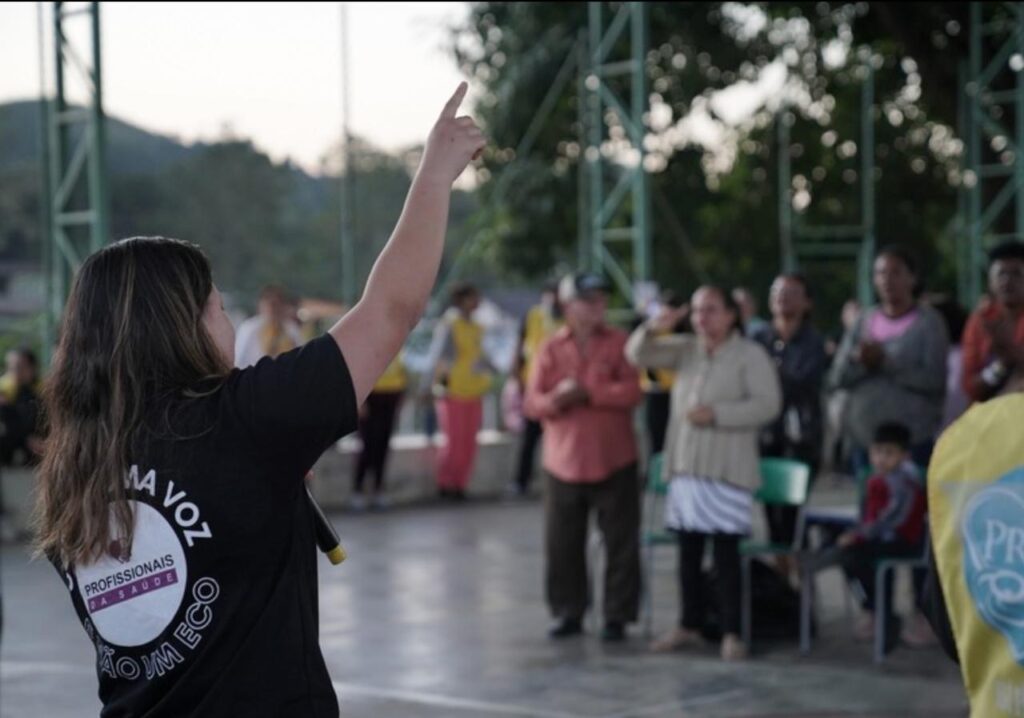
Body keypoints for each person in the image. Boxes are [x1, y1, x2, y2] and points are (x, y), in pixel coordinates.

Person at [34, 83, 485, 717]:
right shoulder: (242, 418)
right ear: (182, 326)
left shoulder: (71, 464)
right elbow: (392, 309)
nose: (228, 322)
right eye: (218, 308)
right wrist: (436, 173)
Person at [626, 285, 781, 661]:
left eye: (711, 310)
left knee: (726, 553)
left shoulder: (749, 354)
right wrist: (656, 324)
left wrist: (718, 415)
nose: (701, 318)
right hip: (687, 469)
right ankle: (688, 624)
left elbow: (768, 405)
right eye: (696, 310)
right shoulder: (686, 349)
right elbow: (636, 354)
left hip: (727, 468)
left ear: (731, 315)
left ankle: (732, 631)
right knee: (688, 552)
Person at [524, 272, 642, 643]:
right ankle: (567, 612)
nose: (597, 307)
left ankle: (617, 616)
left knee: (621, 544)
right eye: (588, 300)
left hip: (615, 459)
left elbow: (634, 391)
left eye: (601, 300)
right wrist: (557, 399)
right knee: (562, 546)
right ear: (568, 305)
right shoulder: (549, 347)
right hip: (563, 462)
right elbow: (531, 402)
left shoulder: (622, 343)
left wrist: (589, 392)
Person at [829, 245, 949, 474]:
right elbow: (837, 377)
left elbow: (934, 380)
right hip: (865, 441)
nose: (887, 280)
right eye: (881, 273)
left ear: (912, 278)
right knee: (870, 507)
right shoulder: (862, 321)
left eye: (896, 272)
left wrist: (885, 362)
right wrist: (862, 363)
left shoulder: (929, 323)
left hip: (913, 442)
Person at [832, 422, 927, 653]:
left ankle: (882, 614)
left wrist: (859, 534)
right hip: (882, 539)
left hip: (904, 541)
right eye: (877, 452)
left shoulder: (905, 481)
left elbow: (892, 519)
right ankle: (876, 609)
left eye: (889, 453)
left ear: (904, 456)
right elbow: (868, 516)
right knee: (844, 556)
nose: (881, 459)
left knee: (856, 557)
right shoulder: (874, 478)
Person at [752, 274, 827, 562]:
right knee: (772, 515)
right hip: (765, 436)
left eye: (792, 292)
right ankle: (782, 580)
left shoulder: (813, 341)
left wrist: (769, 374)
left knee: (794, 517)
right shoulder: (758, 338)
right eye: (777, 291)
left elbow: (802, 381)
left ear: (807, 302)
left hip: (801, 439)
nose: (783, 297)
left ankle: (799, 581)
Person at [426, 282, 493, 500]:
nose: (477, 302)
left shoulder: (477, 327)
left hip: (474, 391)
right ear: (461, 300)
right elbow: (440, 358)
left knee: (469, 442)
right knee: (453, 441)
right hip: (452, 392)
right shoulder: (450, 324)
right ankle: (446, 485)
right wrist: (435, 386)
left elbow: (482, 358)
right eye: (473, 298)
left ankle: (461, 485)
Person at [509, 284, 561, 496]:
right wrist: (516, 378)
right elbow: (520, 347)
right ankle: (520, 482)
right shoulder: (533, 317)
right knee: (530, 438)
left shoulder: (569, 319)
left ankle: (558, 480)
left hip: (559, 391)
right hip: (533, 388)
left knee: (558, 438)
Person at [961, 240, 1024, 403]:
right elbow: (970, 387)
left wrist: (1011, 351)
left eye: (1016, 273)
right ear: (990, 281)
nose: (1007, 280)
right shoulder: (979, 321)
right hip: (991, 413)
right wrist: (1001, 366)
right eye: (1001, 274)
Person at [351, 353, 407, 511]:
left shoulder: (397, 336)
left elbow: (401, 369)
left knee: (383, 444)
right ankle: (358, 490)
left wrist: (401, 394)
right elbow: (357, 368)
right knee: (367, 444)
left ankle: (379, 489)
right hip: (371, 394)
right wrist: (359, 399)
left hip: (392, 394)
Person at [639, 291, 689, 456]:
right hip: (654, 392)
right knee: (656, 442)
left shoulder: (684, 331)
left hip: (679, 393)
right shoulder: (651, 329)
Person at [234, 284, 305, 369]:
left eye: (276, 305)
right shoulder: (249, 329)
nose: (272, 309)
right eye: (270, 304)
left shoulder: (291, 330)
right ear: (261, 305)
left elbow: (301, 359)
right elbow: (238, 359)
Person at [0, 347, 44, 466]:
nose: (14, 371)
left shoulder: (42, 389)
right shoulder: (4, 388)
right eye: (11, 367)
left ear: (32, 368)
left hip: (37, 444)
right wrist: (27, 439)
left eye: (19, 367)